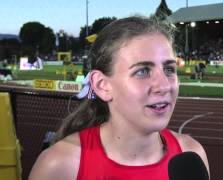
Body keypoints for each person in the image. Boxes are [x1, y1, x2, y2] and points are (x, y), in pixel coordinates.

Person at [29, 16, 210, 180]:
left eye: (169, 69)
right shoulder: (60, 165)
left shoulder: (191, 156)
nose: (164, 86)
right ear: (102, 85)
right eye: (142, 71)